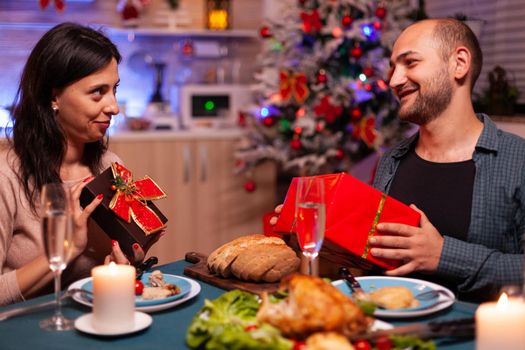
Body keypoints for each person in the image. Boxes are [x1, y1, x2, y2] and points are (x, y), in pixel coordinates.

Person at [273, 18, 524, 302]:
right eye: (393, 67)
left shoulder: (518, 161)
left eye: (410, 63)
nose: (394, 80)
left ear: (459, 63)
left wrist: (443, 255)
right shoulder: (392, 161)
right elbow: (378, 264)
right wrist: (322, 239)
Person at [0, 22, 146, 306]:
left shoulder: (111, 167)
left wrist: (128, 263)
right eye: (97, 92)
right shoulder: (6, 176)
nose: (114, 106)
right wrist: (67, 249)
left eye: (114, 89)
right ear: (53, 96)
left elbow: (118, 273)